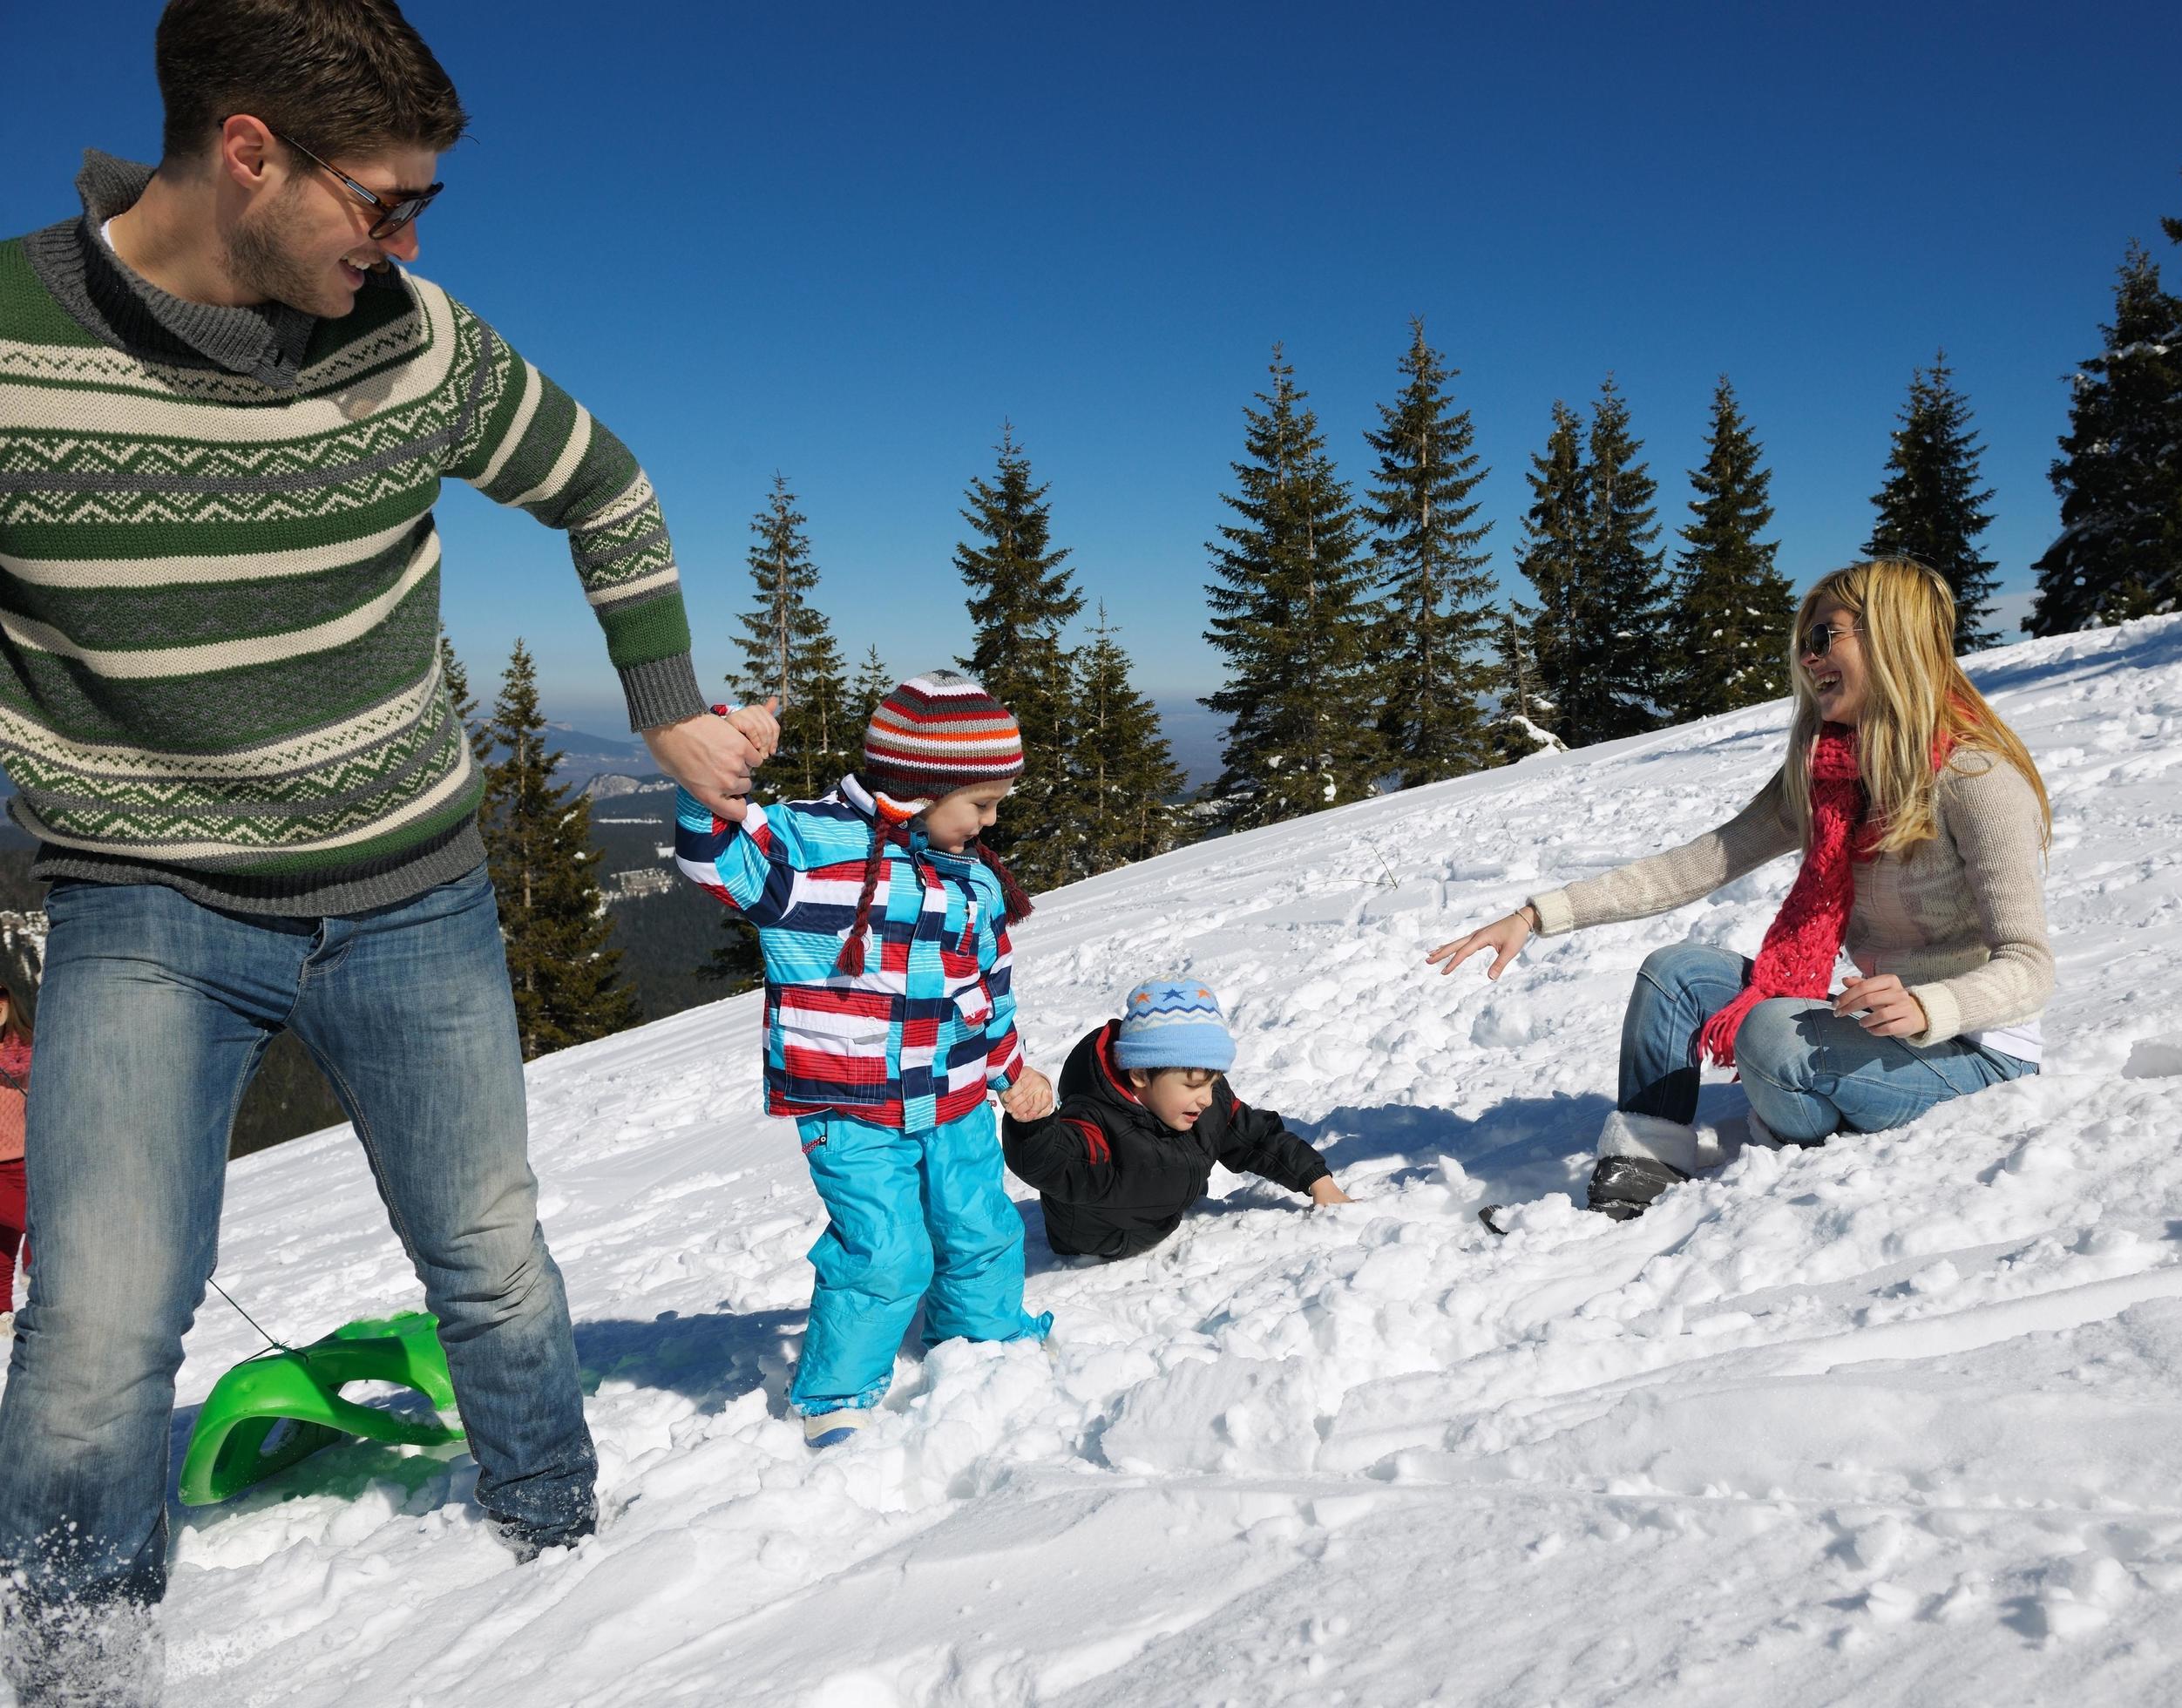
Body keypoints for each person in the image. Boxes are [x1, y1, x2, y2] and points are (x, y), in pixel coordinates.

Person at [0, 3, 764, 1695]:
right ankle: (66, 1666)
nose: (409, 242)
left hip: (415, 891)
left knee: (490, 1259)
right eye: (385, 200)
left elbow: (606, 486)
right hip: (146, 907)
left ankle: (562, 1557)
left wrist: (665, 706)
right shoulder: (11, 347)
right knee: (97, 1335)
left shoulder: (415, 343)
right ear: (249, 150)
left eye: (427, 206)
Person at [1427, 557, 2053, 1219]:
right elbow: (1698, 864)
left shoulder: (1976, 778)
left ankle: (1808, 1122)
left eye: (1824, 638)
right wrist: (1537, 915)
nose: (1808, 660)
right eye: (1803, 644)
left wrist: (1933, 1006)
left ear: (1891, 638)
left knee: (1772, 1035)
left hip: (1971, 1051)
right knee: (1677, 975)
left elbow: (2030, 968)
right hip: (1875, 1025)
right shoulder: (1832, 776)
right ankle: (1642, 1165)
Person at [675, 674, 1054, 1448]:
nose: (988, 824)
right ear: (922, 785)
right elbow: (713, 857)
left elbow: (987, 994)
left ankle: (982, 1343)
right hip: (848, 1107)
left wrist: (1010, 1074)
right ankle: (836, 1390)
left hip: (953, 1096)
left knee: (980, 1226)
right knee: (884, 1251)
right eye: (980, 804)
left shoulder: (974, 881)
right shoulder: (812, 848)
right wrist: (717, 756)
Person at [1002, 980, 1350, 1262]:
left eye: (1213, 1083)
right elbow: (1054, 1160)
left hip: (1162, 1215)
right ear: (1139, 1073)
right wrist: (1035, 1120)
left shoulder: (1201, 1103)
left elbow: (1258, 1138)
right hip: (1092, 1244)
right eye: (1193, 1085)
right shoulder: (1094, 1119)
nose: (1207, 1098)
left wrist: (1316, 1180)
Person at [0, 975, 31, 1327]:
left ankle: (2, 1313)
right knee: (35, 1221)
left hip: (28, 1159)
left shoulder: (29, 1047)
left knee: (4, 1242)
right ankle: (39, 1276)